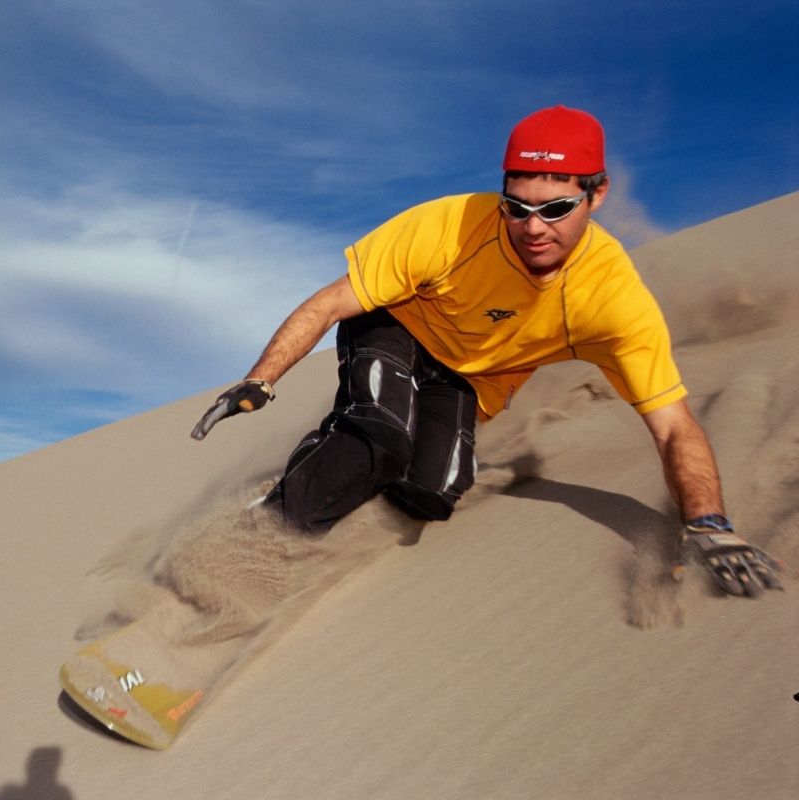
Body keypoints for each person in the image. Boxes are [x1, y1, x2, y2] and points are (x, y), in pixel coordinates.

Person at [191, 105, 783, 598]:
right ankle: (246, 545)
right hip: (395, 325)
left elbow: (674, 426)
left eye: (555, 209)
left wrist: (709, 525)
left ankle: (326, 485)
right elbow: (328, 304)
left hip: (468, 378)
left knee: (432, 491)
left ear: (596, 194)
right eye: (516, 206)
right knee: (379, 438)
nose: (533, 228)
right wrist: (261, 378)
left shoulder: (613, 300)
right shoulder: (447, 227)